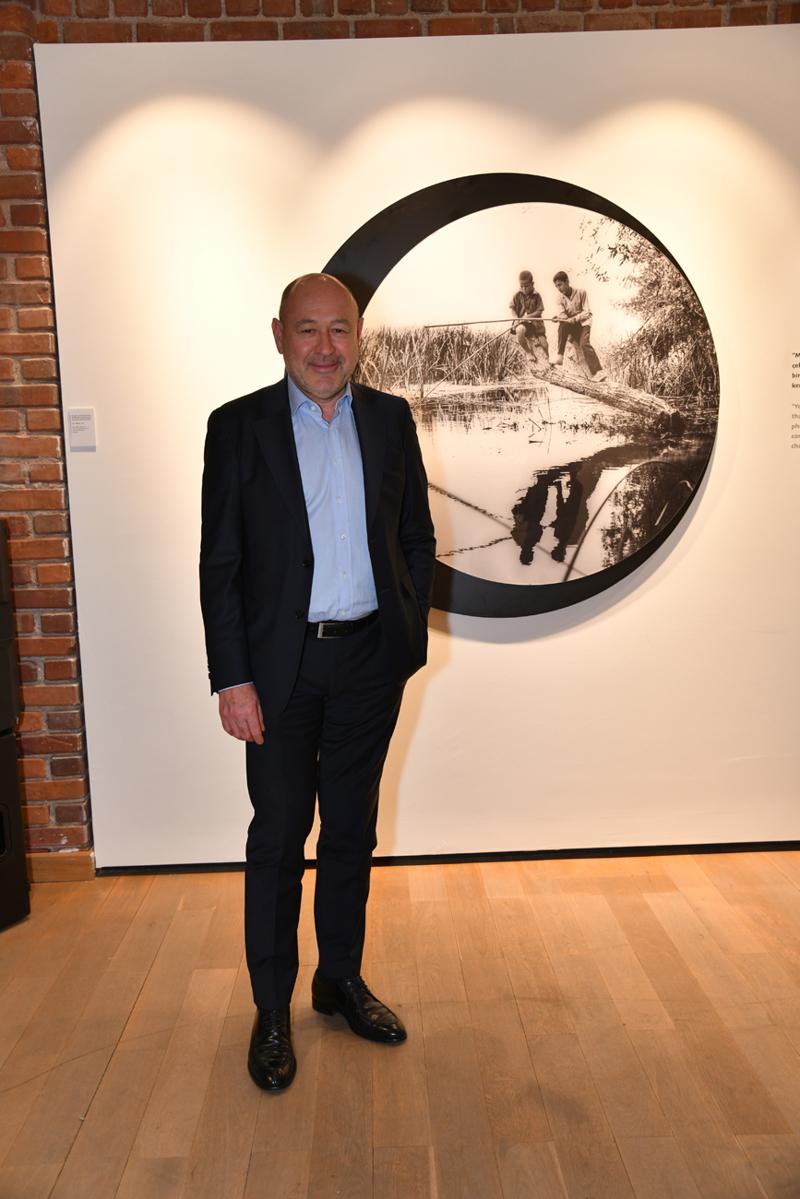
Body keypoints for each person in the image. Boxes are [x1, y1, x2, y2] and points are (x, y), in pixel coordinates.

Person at [200, 273, 436, 1093]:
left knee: (351, 831)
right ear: (278, 334)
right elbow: (220, 563)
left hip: (370, 662)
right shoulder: (236, 429)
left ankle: (338, 979)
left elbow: (414, 535)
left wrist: (405, 636)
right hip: (280, 673)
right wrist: (233, 676)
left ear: (358, 334)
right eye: (308, 330)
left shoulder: (390, 418)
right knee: (277, 837)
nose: (326, 348)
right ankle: (272, 1009)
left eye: (340, 329)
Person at [552, 271, 607, 381]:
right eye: (556, 286)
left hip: (584, 323)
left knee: (584, 344)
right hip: (573, 325)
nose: (559, 288)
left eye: (560, 284)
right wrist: (559, 318)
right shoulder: (560, 298)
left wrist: (574, 318)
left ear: (567, 281)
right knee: (562, 325)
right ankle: (560, 356)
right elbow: (563, 315)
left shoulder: (581, 292)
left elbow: (587, 312)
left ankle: (598, 372)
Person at [509, 270, 549, 366]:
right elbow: (512, 308)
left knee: (544, 344)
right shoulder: (517, 295)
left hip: (536, 324)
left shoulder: (537, 295)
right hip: (522, 324)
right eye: (521, 286)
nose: (524, 288)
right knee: (519, 330)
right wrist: (516, 319)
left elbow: (540, 311)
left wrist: (528, 317)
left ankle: (547, 359)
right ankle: (528, 352)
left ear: (532, 284)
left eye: (526, 286)